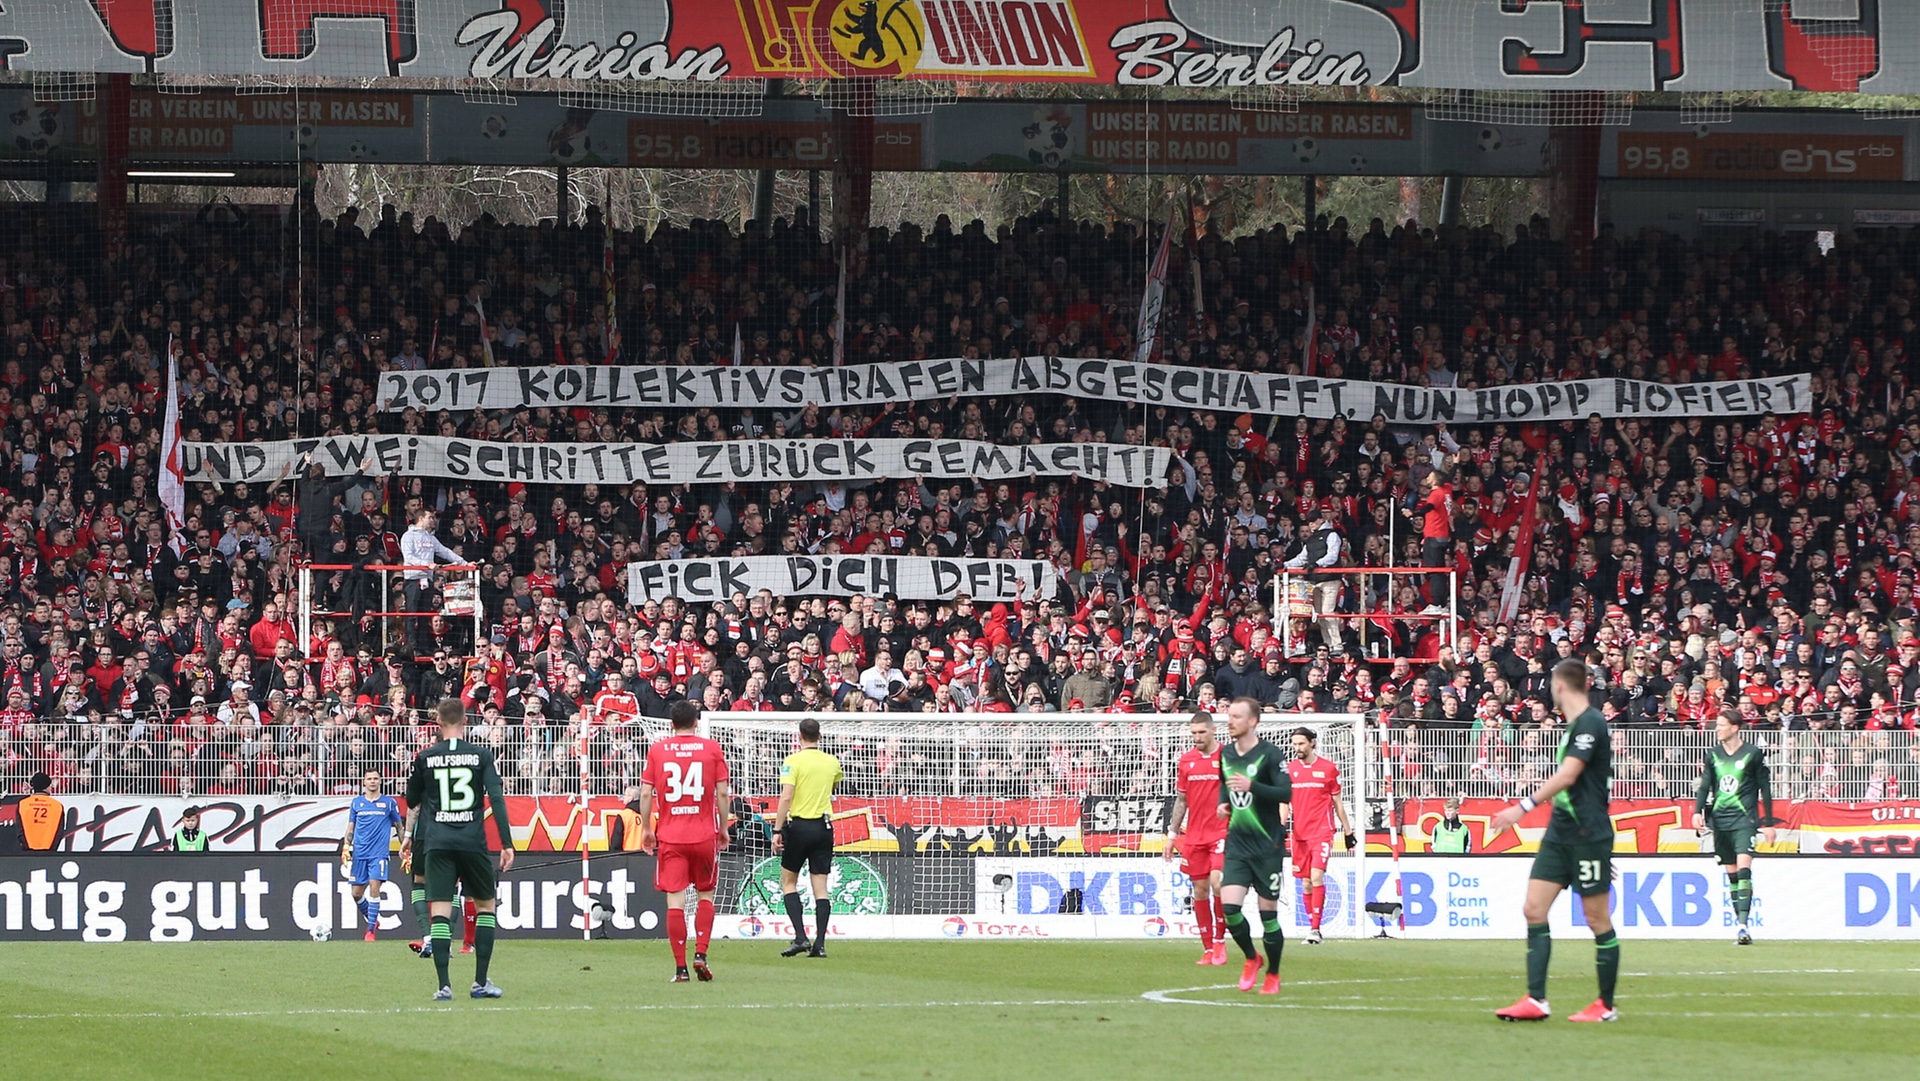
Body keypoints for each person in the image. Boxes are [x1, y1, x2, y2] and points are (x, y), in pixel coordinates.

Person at [1491, 660, 1619, 1023]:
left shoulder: (1591, 723)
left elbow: (1569, 774)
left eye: (1551, 684)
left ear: (1561, 686)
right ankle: (1536, 1000)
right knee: (1533, 909)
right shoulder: (1574, 726)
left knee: (1597, 919)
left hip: (1588, 836)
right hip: (1559, 835)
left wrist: (1522, 807)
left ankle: (1605, 1006)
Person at [403, 699, 516, 1001]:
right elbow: (497, 798)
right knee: (485, 908)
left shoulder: (425, 756)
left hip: (438, 842)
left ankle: (444, 985)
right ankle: (480, 982)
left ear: (438, 722)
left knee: (440, 913)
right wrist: (506, 843)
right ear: (465, 721)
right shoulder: (481, 755)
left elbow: (411, 797)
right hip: (472, 842)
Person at [639, 699, 731, 983]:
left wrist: (646, 829)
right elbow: (723, 793)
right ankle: (701, 954)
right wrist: (724, 828)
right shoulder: (711, 748)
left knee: (675, 903)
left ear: (671, 724)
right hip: (704, 835)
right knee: (705, 895)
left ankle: (680, 969)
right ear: (696, 723)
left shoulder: (658, 750)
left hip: (671, 836)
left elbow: (645, 794)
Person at [1216, 696, 1292, 995]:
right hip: (1237, 844)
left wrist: (1253, 787)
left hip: (1267, 846)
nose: (1230, 720)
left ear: (1252, 721)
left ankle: (1273, 973)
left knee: (1267, 914)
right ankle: (1252, 957)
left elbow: (1287, 792)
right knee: (1229, 908)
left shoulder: (1271, 754)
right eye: (1229, 715)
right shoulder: (1225, 753)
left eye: (1236, 716)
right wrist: (1224, 803)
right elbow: (1225, 782)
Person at [1694, 708, 1775, 946]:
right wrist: (1697, 811)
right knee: (1731, 875)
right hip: (1720, 821)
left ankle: (1743, 926)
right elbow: (1705, 785)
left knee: (1743, 867)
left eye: (1721, 725)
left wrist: (1768, 823)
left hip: (1745, 820)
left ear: (1735, 727)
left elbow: (1765, 788)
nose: (1717, 729)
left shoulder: (1753, 754)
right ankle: (1740, 925)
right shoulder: (1713, 754)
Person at [773, 715, 844, 958]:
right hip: (824, 828)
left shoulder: (793, 761)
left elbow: (786, 797)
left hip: (800, 826)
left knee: (789, 882)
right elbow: (833, 786)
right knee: (821, 888)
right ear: (819, 737)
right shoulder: (832, 761)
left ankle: (801, 937)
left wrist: (777, 829)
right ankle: (820, 944)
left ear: (799, 736)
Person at [1166, 710, 1227, 966]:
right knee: (1199, 890)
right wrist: (1172, 834)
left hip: (1223, 832)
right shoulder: (1186, 761)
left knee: (1218, 884)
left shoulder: (1228, 757)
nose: (1197, 737)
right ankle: (1208, 947)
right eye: (1193, 733)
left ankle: (1221, 942)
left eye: (1202, 732)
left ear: (1213, 730)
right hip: (1195, 835)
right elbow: (1182, 800)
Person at [1286, 726, 1355, 945]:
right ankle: (1312, 926)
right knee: (1306, 883)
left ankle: (1315, 930)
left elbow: (1337, 803)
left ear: (1312, 743)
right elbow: (1283, 801)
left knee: (1316, 876)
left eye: (1301, 743)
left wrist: (1348, 831)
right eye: (1295, 744)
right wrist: (1279, 824)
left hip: (1322, 832)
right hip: (1299, 834)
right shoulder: (1290, 770)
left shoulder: (1328, 768)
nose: (1297, 748)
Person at [341, 768, 403, 942]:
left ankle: (370, 932)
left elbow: (399, 827)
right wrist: (346, 845)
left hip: (379, 854)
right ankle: (373, 920)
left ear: (380, 781)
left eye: (376, 778)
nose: (373, 781)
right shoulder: (357, 803)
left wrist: (405, 847)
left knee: (375, 888)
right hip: (360, 853)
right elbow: (351, 827)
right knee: (356, 894)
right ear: (364, 782)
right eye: (369, 779)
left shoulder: (389, 803)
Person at [399, 509, 464, 657]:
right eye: (431, 517)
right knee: (412, 615)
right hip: (413, 579)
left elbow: (445, 552)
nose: (434, 520)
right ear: (421, 518)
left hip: (426, 580)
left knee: (424, 615)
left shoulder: (430, 538)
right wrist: (426, 564)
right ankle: (412, 647)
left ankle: (422, 646)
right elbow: (408, 557)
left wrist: (464, 562)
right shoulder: (408, 536)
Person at [1282, 508, 1346, 654]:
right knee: (1319, 614)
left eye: (1313, 521)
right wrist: (1285, 564)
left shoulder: (1332, 535)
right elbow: (1302, 558)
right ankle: (1329, 644)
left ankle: (1337, 645)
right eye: (1309, 522)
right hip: (1315, 581)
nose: (1310, 524)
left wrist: (1317, 563)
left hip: (1330, 579)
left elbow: (1332, 556)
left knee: (1327, 612)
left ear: (1320, 520)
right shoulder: (1310, 539)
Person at [18, 772, 62, 851]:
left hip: (28, 851)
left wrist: (26, 848)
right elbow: (59, 832)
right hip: (49, 851)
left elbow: (20, 830)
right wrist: (52, 849)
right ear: (47, 787)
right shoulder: (57, 805)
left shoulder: (22, 804)